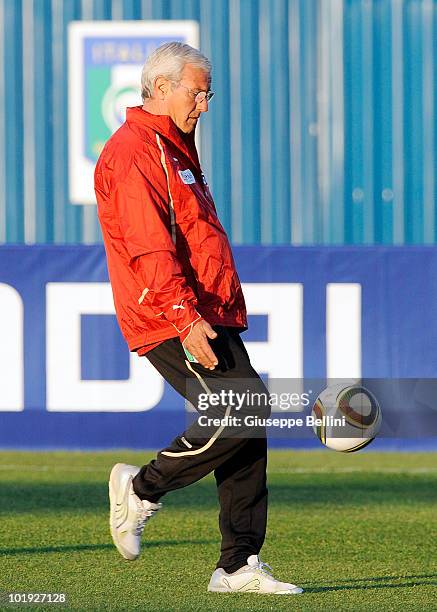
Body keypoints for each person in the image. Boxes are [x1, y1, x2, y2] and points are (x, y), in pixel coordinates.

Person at [94, 41, 302, 595]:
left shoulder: (175, 147)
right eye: (197, 91)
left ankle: (237, 566)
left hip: (206, 307)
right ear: (161, 88)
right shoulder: (134, 150)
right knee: (245, 410)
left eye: (208, 93)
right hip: (169, 312)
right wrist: (184, 315)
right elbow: (148, 245)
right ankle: (142, 486)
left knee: (249, 423)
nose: (204, 103)